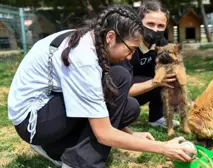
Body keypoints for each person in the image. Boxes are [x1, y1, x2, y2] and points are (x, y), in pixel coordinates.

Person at [7, 5, 194, 168]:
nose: (130, 57)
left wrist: (132, 134)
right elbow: (103, 133)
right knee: (119, 79)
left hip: (52, 106)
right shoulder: (83, 57)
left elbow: (103, 106)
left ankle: (58, 146)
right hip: (34, 120)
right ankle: (78, 162)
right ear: (111, 37)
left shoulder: (94, 41)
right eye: (131, 49)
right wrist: (163, 148)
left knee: (127, 101)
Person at [114, 0, 180, 128]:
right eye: (150, 24)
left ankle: (156, 117)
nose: (155, 30)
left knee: (168, 75)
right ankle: (118, 116)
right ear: (139, 22)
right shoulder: (126, 44)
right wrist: (155, 82)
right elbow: (119, 89)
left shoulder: (162, 44)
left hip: (143, 86)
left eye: (160, 26)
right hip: (119, 92)